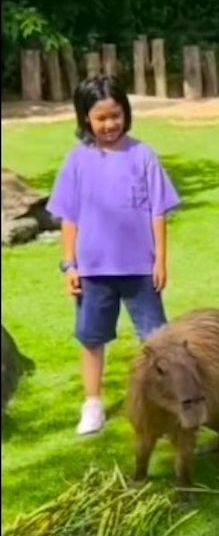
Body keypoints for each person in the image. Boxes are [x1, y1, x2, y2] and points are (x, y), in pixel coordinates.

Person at [46, 75, 181, 436]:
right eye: (101, 118)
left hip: (140, 270)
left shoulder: (143, 155)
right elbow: (68, 217)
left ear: (126, 113)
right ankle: (92, 403)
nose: (110, 124)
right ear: (85, 119)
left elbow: (158, 211)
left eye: (116, 115)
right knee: (91, 338)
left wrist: (161, 260)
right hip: (92, 271)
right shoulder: (76, 161)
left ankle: (165, 401)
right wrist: (69, 264)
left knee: (157, 342)